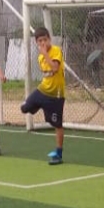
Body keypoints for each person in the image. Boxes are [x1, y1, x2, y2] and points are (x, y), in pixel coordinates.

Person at [19, 28, 67, 165]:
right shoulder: (40, 57)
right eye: (39, 41)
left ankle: (59, 153)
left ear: (49, 39)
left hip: (56, 95)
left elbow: (55, 68)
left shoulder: (55, 51)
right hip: (43, 90)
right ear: (36, 43)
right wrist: (43, 55)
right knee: (25, 108)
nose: (43, 43)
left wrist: (45, 53)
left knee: (57, 125)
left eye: (45, 40)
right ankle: (39, 105)